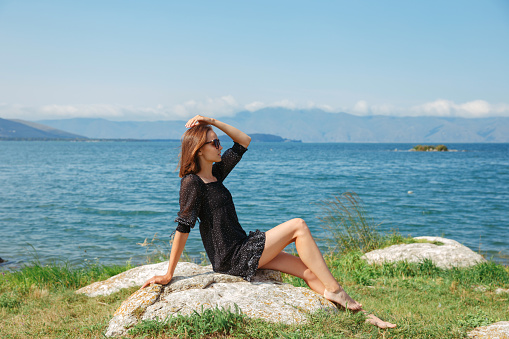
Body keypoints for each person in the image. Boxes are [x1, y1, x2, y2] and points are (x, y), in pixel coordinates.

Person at [142, 115, 396, 329]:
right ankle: (336, 289)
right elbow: (183, 226)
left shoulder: (216, 175)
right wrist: (168, 274)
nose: (220, 146)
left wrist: (211, 121)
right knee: (298, 225)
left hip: (243, 246)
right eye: (215, 143)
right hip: (232, 258)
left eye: (219, 141)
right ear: (199, 150)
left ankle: (359, 316)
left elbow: (244, 141)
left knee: (307, 270)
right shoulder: (192, 183)